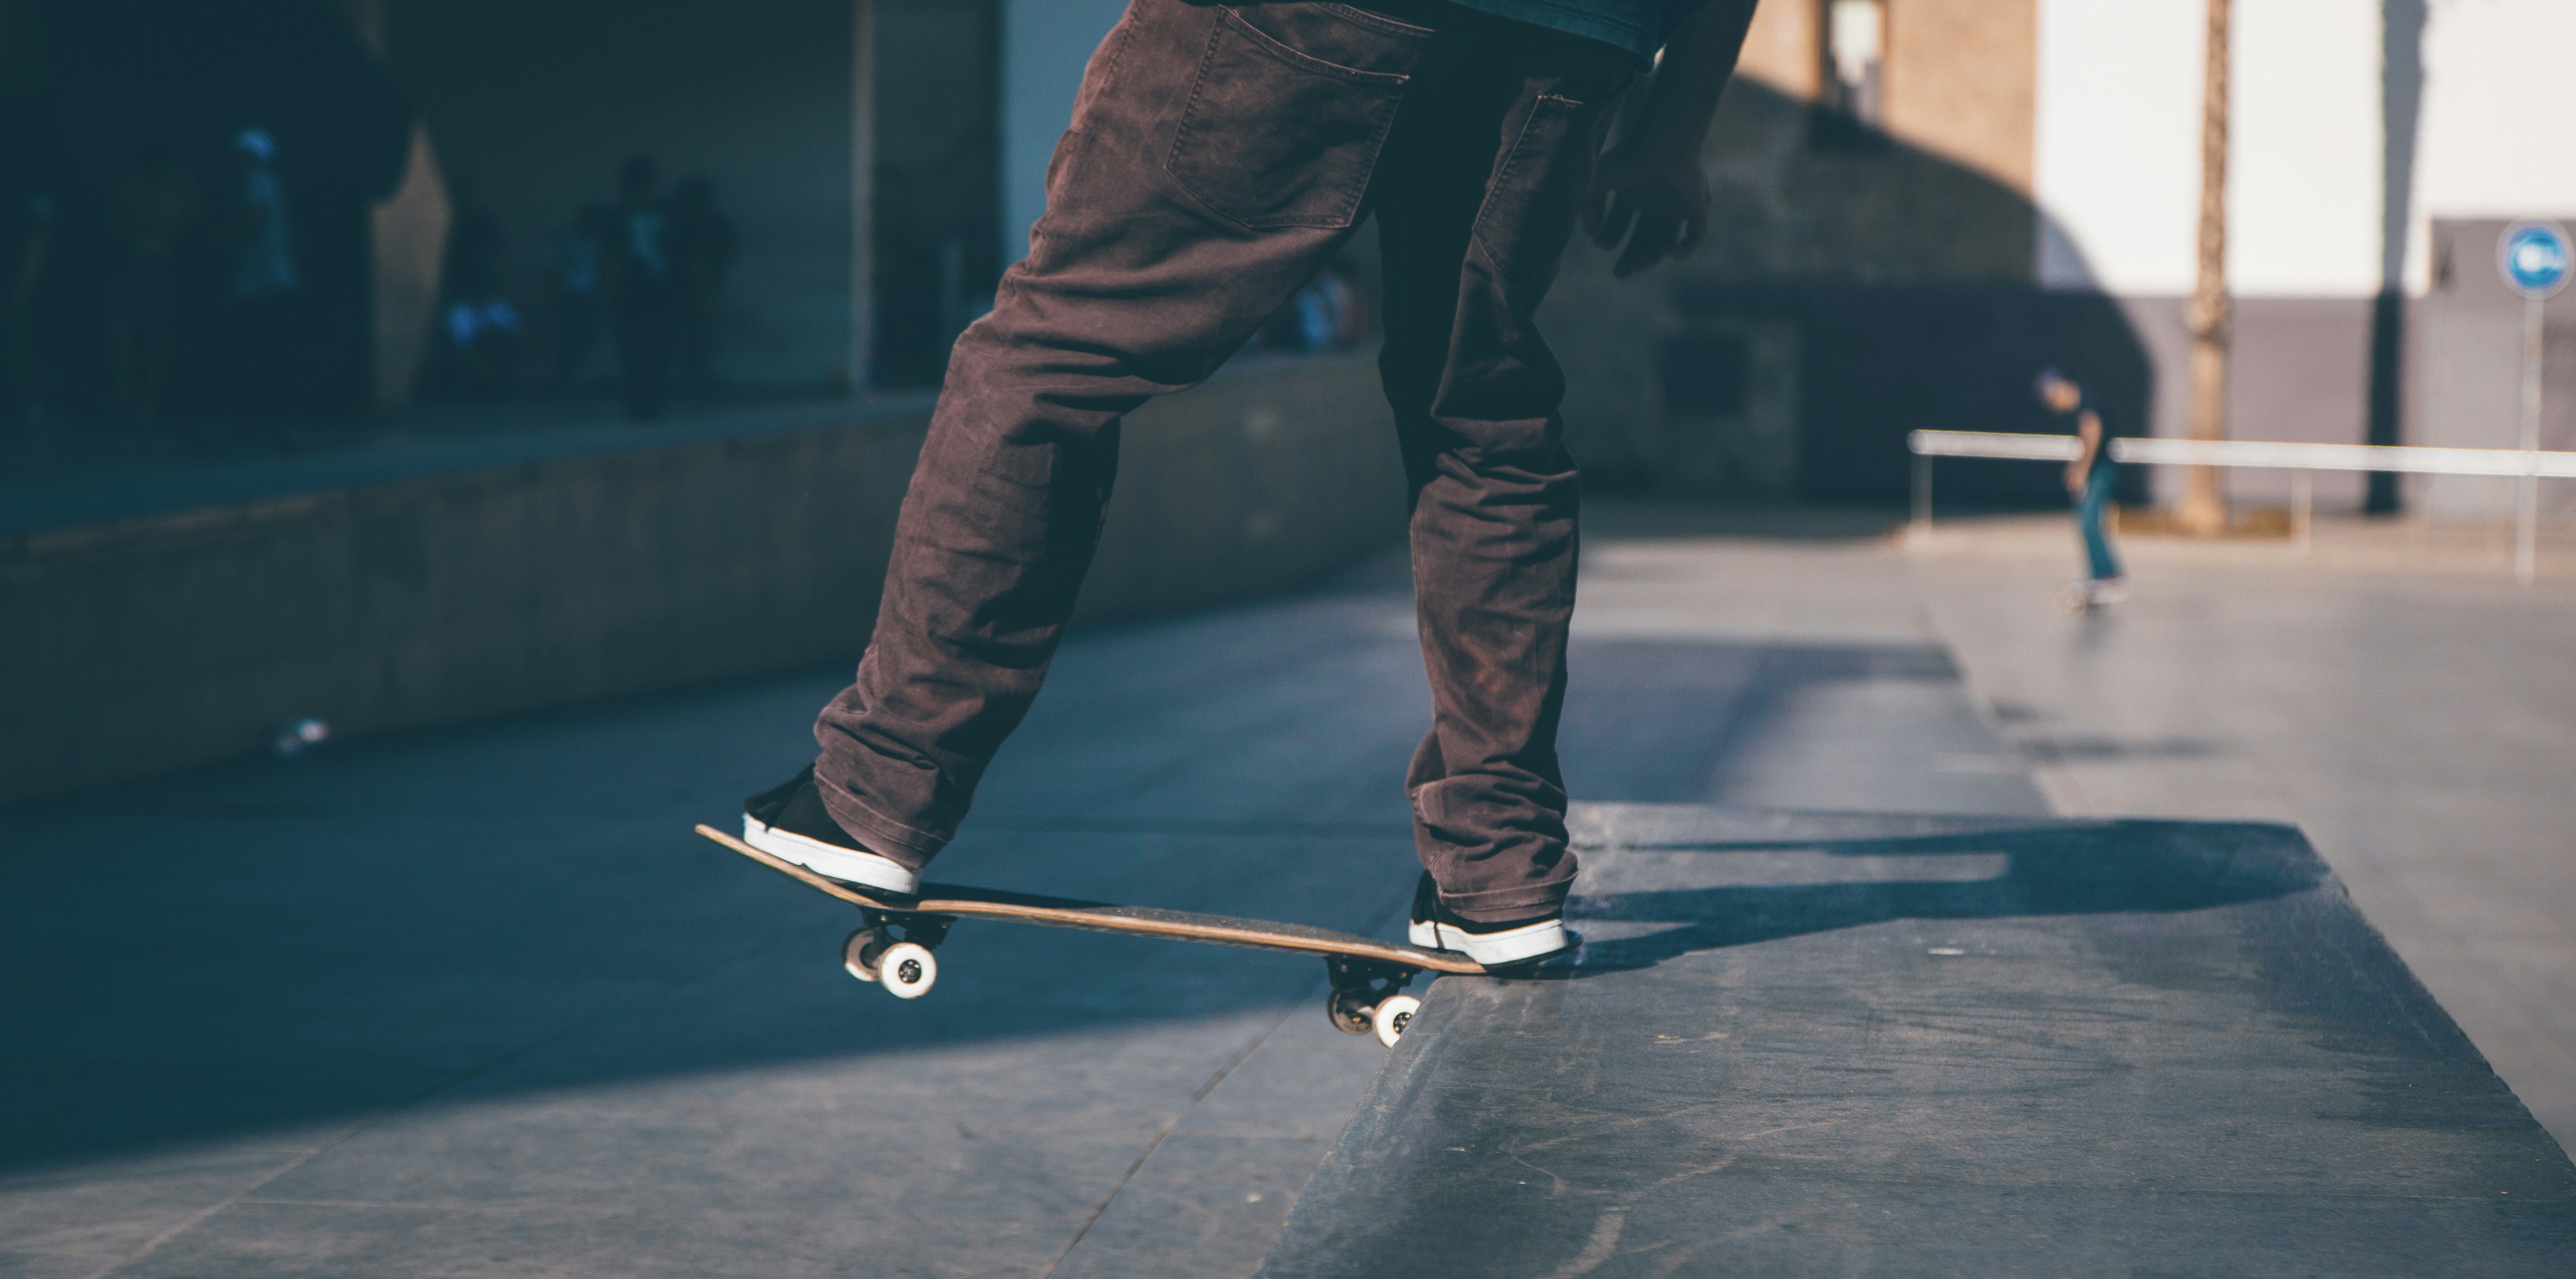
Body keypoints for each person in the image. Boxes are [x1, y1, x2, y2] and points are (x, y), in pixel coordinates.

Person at [740, 0, 1761, 967]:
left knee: (1054, 353)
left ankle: (880, 786)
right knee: (1481, 414)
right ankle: (1501, 873)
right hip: (1570, 37)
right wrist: (1676, 126)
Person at [2036, 368, 2127, 606]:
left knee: (2089, 522)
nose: (2055, 408)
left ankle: (2109, 577)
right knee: (2087, 523)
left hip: (2100, 470)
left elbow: (2093, 432)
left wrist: (2081, 470)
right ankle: (2100, 576)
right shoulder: (2084, 403)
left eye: (2052, 401)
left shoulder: (2087, 402)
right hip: (2096, 469)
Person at [602, 155, 675, 421]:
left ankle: (647, 402)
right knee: (639, 351)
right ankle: (643, 403)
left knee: (649, 350)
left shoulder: (662, 213)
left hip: (651, 295)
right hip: (638, 295)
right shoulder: (625, 216)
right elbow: (611, 259)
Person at [667, 175, 736, 394]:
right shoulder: (676, 224)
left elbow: (729, 251)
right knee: (679, 335)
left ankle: (700, 377)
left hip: (707, 289)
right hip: (678, 291)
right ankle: (678, 379)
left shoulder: (717, 225)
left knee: (704, 335)